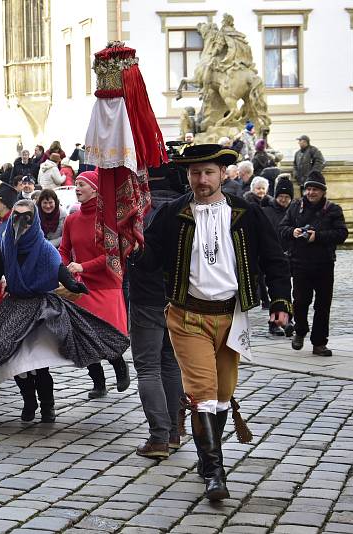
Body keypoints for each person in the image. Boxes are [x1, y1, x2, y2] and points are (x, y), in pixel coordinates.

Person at [133, 144, 292, 502]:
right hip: (188, 317)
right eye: (195, 173)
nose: (201, 180)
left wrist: (280, 301)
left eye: (208, 173)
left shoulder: (245, 213)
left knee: (222, 398)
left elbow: (274, 259)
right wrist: (132, 245)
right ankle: (215, 472)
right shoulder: (173, 213)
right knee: (202, 395)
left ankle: (208, 462)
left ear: (223, 174)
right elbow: (150, 261)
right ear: (187, 176)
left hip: (231, 317)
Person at [0, 200, 129, 423]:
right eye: (16, 216)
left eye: (26, 217)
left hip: (41, 309)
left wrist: (73, 285)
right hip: (14, 308)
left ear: (33, 220)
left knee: (40, 363)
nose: (20, 222)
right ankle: (29, 402)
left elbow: (59, 270)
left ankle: (47, 406)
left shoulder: (44, 248)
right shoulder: (6, 249)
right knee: (16, 363)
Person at [59, 171, 131, 398]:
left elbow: (113, 255)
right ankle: (98, 382)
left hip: (107, 283)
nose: (77, 188)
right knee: (84, 336)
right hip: (82, 285)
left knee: (106, 333)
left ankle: (119, 365)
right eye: (76, 184)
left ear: (95, 189)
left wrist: (83, 266)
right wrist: (64, 269)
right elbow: (63, 249)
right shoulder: (71, 219)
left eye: (81, 184)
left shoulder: (108, 219)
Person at [128, 174, 184, 459]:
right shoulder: (185, 207)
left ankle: (159, 438)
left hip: (146, 296)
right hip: (177, 296)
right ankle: (173, 433)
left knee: (148, 367)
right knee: (171, 363)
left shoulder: (139, 208)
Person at [279, 171, 348, 357]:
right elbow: (282, 228)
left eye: (315, 189)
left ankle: (319, 343)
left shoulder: (333, 209)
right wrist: (292, 231)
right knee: (300, 302)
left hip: (324, 264)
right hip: (299, 263)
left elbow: (342, 234)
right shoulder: (295, 207)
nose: (310, 192)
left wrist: (318, 236)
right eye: (308, 189)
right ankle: (300, 331)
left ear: (323, 191)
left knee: (323, 305)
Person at [263, 178, 295, 337]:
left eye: (287, 197)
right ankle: (273, 322)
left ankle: (288, 319)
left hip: (291, 257)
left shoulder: (294, 212)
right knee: (275, 291)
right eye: (281, 196)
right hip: (271, 257)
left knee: (289, 290)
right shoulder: (267, 211)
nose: (283, 199)